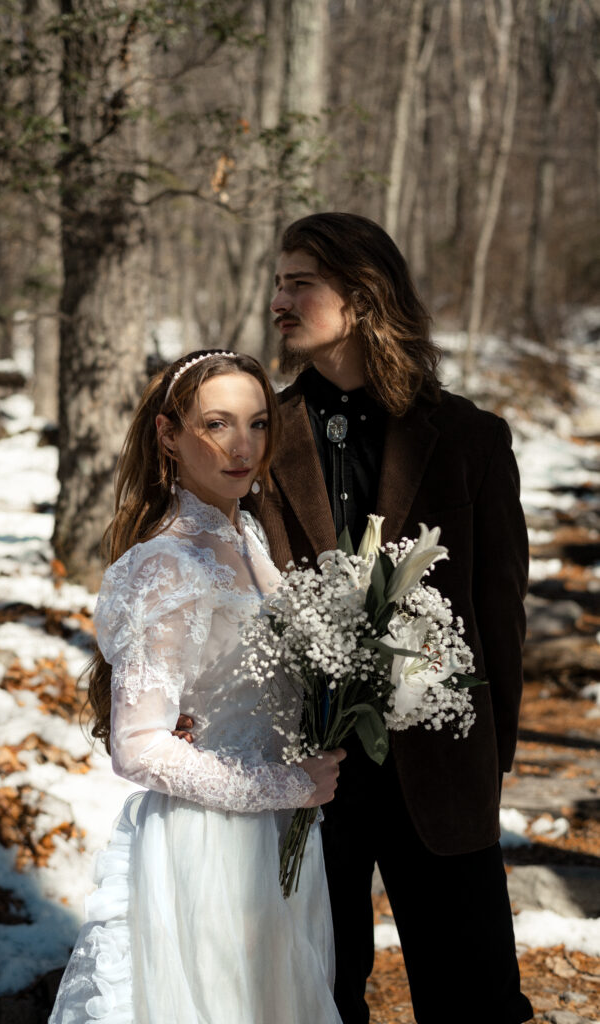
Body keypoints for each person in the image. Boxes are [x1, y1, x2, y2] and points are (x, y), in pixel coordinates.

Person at [244, 212, 534, 1024]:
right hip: (305, 766)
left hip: (439, 761)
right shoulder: (259, 435)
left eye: (300, 281)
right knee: (317, 997)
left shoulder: (468, 439)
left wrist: (488, 756)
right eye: (277, 280)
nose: (280, 298)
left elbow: (496, 607)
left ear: (364, 296)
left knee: (474, 997)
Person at [49, 349, 345, 1024]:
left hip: (275, 839)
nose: (243, 447)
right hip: (209, 846)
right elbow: (140, 746)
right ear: (168, 435)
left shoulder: (247, 535)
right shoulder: (168, 564)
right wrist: (284, 785)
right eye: (217, 425)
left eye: (258, 424)